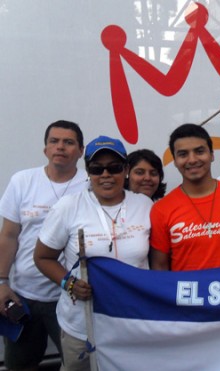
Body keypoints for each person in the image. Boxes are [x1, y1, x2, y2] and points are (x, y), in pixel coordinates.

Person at [34, 135, 153, 370]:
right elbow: (42, 257)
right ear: (88, 171)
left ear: (126, 170)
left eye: (114, 167)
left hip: (132, 323)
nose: (106, 175)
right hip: (82, 324)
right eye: (97, 169)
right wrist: (68, 283)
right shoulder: (69, 206)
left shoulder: (145, 204)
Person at [0, 120, 86, 371]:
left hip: (70, 298)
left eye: (69, 142)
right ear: (45, 149)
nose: (60, 147)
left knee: (78, 365)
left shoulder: (91, 184)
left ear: (80, 151)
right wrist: (2, 283)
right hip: (23, 294)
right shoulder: (22, 181)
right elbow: (8, 236)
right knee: (19, 365)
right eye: (54, 141)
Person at [150, 123, 220, 271]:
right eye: (183, 154)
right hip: (188, 293)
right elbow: (159, 265)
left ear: (212, 155)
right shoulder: (161, 209)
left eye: (199, 151)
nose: (192, 160)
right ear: (175, 160)